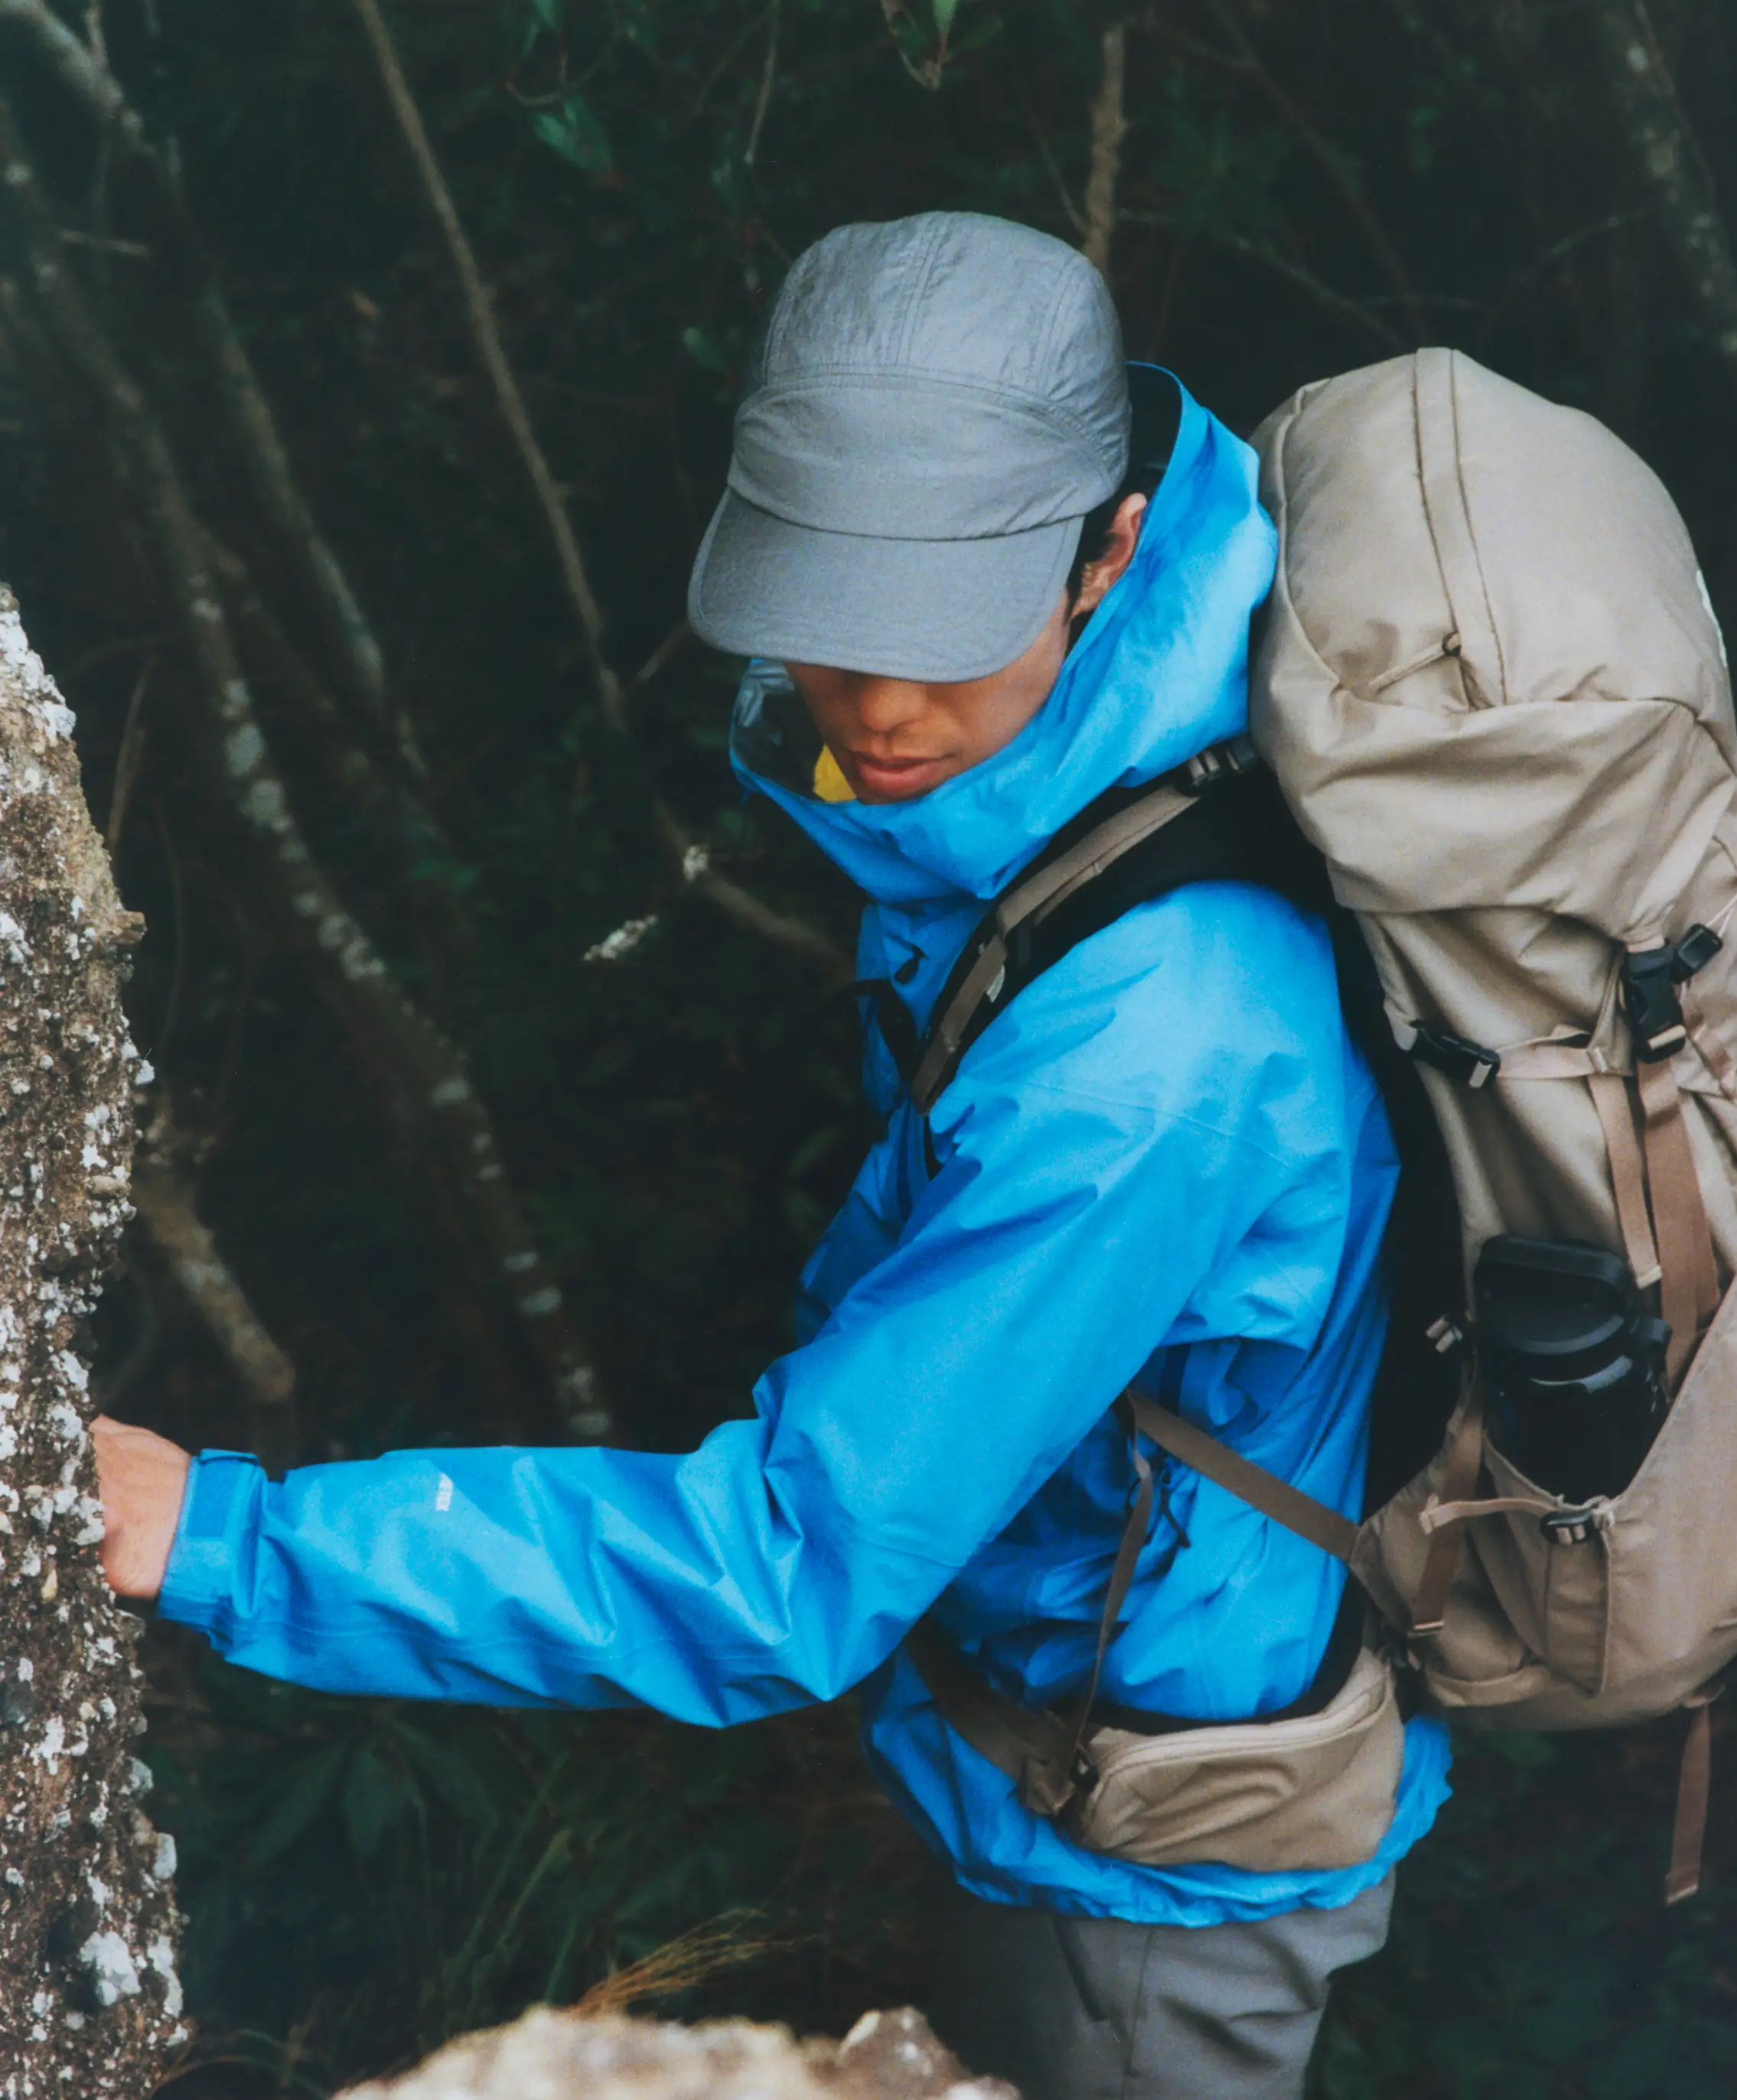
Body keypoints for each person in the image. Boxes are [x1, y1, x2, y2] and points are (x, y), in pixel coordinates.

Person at [93, 211, 1449, 2100]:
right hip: (1071, 1725)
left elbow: (791, 1570)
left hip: (1150, 1875)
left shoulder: (1156, 1053)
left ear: (1108, 546)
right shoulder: (1096, 751)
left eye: (942, 632)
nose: (877, 705)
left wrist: (228, 1539)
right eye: (835, 619)